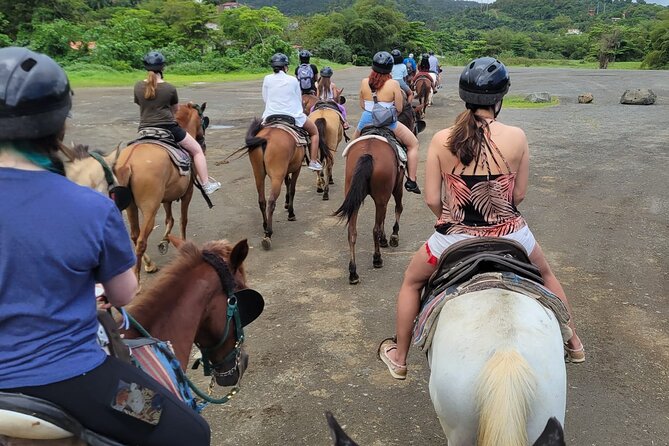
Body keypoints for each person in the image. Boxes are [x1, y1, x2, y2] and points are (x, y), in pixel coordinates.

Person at [0, 47, 211, 445]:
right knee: (191, 433)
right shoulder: (91, 207)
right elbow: (124, 293)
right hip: (69, 378)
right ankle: (206, 178)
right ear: (59, 127)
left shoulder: (138, 89)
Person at [378, 57, 585, 380]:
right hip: (512, 234)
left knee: (412, 282)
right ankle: (573, 341)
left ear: (464, 96)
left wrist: (450, 217)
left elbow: (433, 198)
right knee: (545, 274)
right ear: (500, 98)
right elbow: (517, 197)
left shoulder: (442, 138)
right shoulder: (517, 136)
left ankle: (401, 357)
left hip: (454, 236)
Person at [134, 51, 220, 195]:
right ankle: (206, 184)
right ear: (163, 68)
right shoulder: (169, 88)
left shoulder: (137, 86)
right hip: (168, 128)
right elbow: (174, 110)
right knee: (198, 150)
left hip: (144, 129)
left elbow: (140, 104)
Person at [352, 51, 420, 194]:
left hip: (366, 120)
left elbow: (362, 105)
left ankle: (351, 171)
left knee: (352, 146)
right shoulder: (394, 84)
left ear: (373, 67)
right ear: (390, 69)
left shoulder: (364, 82)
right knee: (413, 144)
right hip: (388, 123)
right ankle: (412, 181)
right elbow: (400, 108)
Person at [264, 53, 322, 171]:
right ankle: (313, 161)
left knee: (256, 132)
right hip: (292, 115)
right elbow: (298, 99)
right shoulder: (292, 80)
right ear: (285, 67)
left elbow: (265, 98)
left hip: (270, 115)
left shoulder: (267, 78)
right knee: (315, 132)